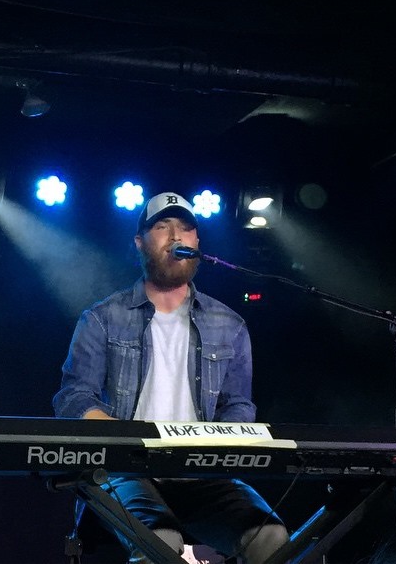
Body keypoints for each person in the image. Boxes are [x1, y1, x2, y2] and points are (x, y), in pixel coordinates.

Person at [53, 192, 289, 564]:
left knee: (270, 536)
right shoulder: (102, 318)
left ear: (197, 244)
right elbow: (73, 397)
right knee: (160, 539)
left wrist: (223, 443)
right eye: (162, 227)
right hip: (129, 469)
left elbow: (239, 404)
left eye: (184, 228)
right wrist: (119, 438)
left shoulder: (229, 324)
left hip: (204, 471)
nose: (175, 236)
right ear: (139, 243)